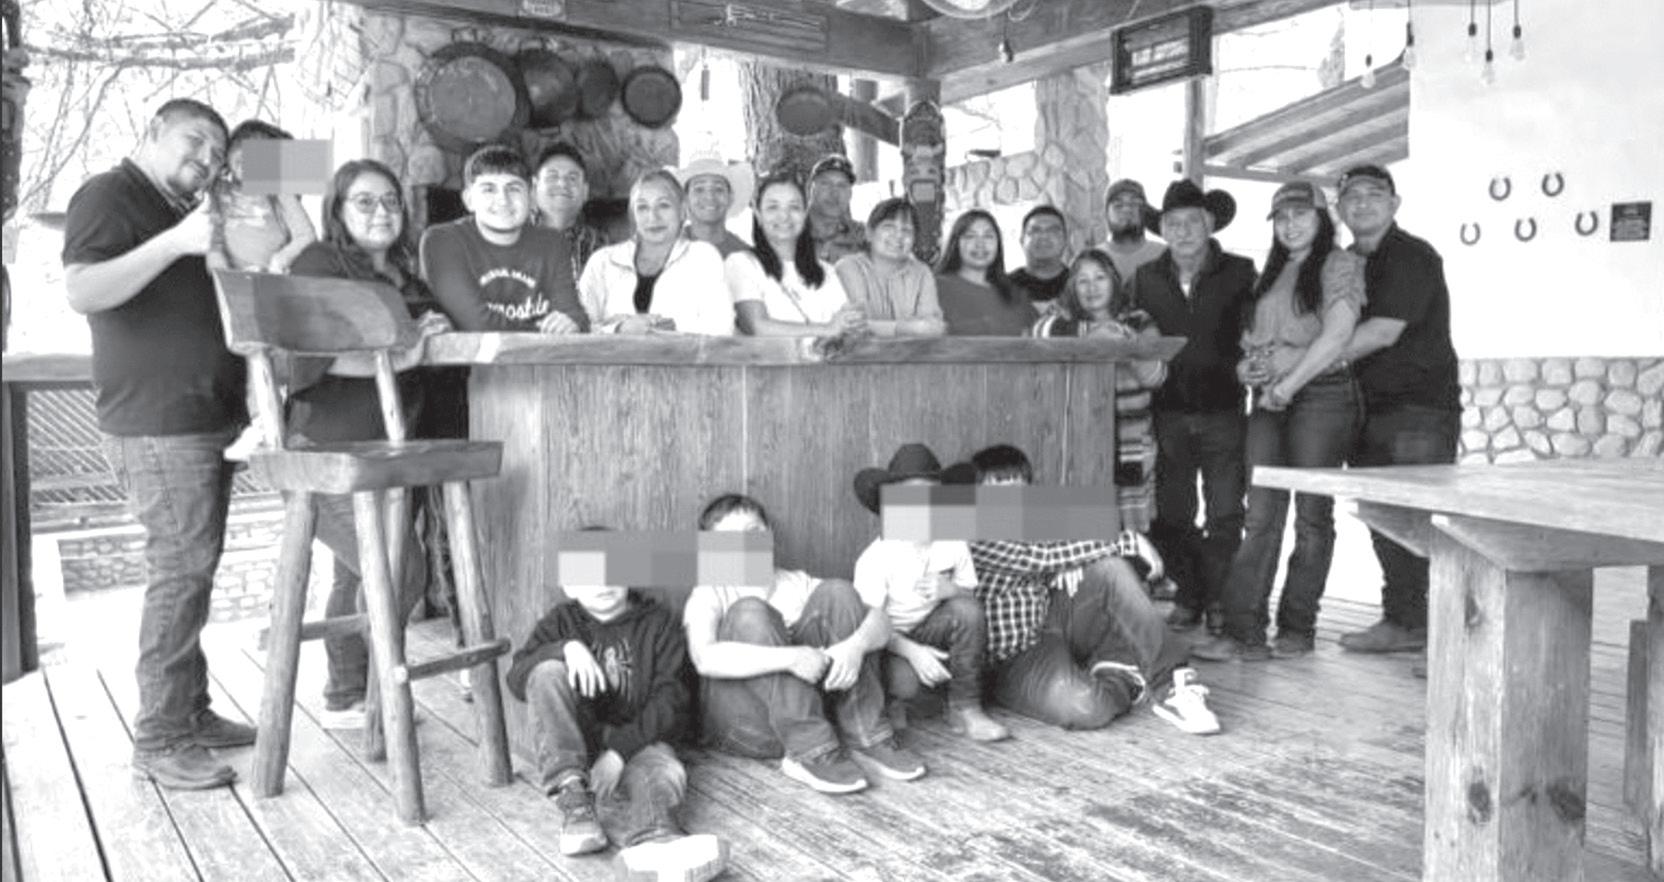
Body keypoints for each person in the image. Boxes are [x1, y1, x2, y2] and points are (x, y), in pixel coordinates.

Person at [62, 98, 253, 789]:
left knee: (193, 570)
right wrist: (175, 244)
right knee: (180, 571)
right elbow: (83, 290)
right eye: (194, 141)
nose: (206, 158)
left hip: (204, 417)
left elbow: (291, 188)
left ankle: (190, 713)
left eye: (216, 152)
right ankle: (161, 737)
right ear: (152, 132)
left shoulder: (189, 211)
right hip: (157, 421)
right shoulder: (108, 193)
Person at [286, 159, 444, 727]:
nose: (382, 211)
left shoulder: (407, 278)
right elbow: (309, 359)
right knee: (401, 572)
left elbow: (420, 348)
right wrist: (401, 356)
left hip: (390, 451)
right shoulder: (319, 262)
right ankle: (375, 694)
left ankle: (350, 693)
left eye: (391, 201)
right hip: (326, 449)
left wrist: (435, 329)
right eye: (365, 201)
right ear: (337, 210)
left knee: (358, 572)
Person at [1190, 181, 1365, 663]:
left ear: (1322, 218)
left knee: (1311, 516)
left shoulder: (1339, 264)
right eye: (1282, 218)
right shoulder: (1269, 273)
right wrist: (1245, 370)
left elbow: (1337, 337)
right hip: (1268, 399)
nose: (1290, 225)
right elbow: (1253, 343)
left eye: (1300, 215)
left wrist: (1288, 384)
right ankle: (1244, 630)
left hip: (1321, 397)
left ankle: (1297, 626)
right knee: (1261, 514)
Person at [951, 445, 1219, 735]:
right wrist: (1129, 541)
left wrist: (1072, 563)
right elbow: (1038, 558)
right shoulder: (975, 533)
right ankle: (1120, 676)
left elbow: (1068, 541)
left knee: (1109, 569)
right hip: (1010, 662)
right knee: (1087, 707)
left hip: (1048, 627)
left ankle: (1172, 685)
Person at [503, 537, 728, 881]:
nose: (603, 583)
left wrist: (620, 754)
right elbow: (517, 677)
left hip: (642, 740)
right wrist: (565, 648)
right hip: (579, 744)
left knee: (663, 773)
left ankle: (657, 843)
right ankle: (575, 801)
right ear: (569, 586)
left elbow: (671, 700)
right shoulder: (561, 622)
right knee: (545, 671)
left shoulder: (658, 623)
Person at [684, 494, 924, 794]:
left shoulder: (796, 582)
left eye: (754, 531)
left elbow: (881, 621)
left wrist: (855, 647)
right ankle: (810, 752)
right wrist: (792, 658)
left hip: (813, 720)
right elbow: (704, 658)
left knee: (839, 592)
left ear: (769, 534)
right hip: (745, 729)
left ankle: (867, 738)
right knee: (750, 613)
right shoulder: (709, 592)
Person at [1331, 164, 1460, 655]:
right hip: (1364, 408)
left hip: (1417, 411)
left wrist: (1307, 366)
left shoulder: (1412, 256)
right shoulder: (1343, 263)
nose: (1362, 203)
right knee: (1385, 519)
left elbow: (1383, 331)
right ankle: (1405, 620)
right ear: (1339, 208)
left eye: (1374, 194)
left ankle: (1447, 634)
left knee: (1417, 522)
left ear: (1394, 203)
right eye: (1352, 196)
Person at [1130, 180, 1257, 637]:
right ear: (1162, 229)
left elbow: (1255, 331)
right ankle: (1190, 593)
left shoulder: (1241, 272)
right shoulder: (1144, 278)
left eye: (1192, 222)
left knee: (1226, 512)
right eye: (1173, 223)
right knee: (1172, 515)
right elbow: (1131, 332)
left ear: (1209, 225)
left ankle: (1218, 599)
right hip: (1167, 414)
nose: (1183, 231)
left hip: (1224, 410)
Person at [851, 444, 1009, 742]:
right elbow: (869, 627)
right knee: (907, 683)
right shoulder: (876, 558)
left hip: (931, 629)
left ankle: (965, 709)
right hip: (889, 641)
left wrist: (952, 590)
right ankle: (898, 701)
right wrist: (914, 653)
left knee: (967, 610)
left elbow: (971, 599)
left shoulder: (952, 540)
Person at [1030, 248, 1167, 534]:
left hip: (1130, 438)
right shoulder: (1061, 317)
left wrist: (1126, 345)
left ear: (1114, 281)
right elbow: (1038, 332)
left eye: (1099, 278)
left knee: (1129, 528)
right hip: (1079, 436)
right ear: (1073, 287)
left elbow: (1157, 376)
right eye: (1083, 281)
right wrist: (1093, 334)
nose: (1092, 287)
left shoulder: (1138, 320)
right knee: (1083, 525)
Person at [207, 119, 320, 462]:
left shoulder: (280, 192)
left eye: (261, 155)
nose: (249, 160)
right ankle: (259, 422)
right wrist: (226, 278)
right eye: (240, 154)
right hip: (235, 285)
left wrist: (278, 261)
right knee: (247, 353)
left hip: (275, 282)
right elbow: (213, 243)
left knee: (274, 352)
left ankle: (278, 423)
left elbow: (306, 235)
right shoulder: (218, 193)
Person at [420, 145, 586, 333]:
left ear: (531, 196)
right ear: (469, 199)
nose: (503, 200)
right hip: (471, 352)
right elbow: (477, 324)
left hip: (540, 352)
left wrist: (571, 323)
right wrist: (546, 334)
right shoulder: (442, 241)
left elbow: (573, 315)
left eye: (514, 188)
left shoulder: (553, 243)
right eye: (489, 189)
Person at [577, 169, 733, 335]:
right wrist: (619, 328)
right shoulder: (603, 261)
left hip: (680, 353)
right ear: (633, 215)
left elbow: (721, 328)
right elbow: (579, 328)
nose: (653, 217)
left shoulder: (703, 258)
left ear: (682, 211)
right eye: (642, 207)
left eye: (663, 205)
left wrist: (667, 328)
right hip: (611, 353)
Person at [726, 171, 865, 337]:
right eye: (773, 207)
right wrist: (828, 329)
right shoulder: (741, 263)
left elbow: (845, 327)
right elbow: (756, 326)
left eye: (794, 207)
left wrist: (852, 324)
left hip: (826, 355)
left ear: (805, 214)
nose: (784, 216)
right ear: (758, 215)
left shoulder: (826, 271)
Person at [832, 197, 945, 337]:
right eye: (889, 227)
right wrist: (906, 328)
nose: (898, 235)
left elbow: (933, 327)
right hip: (859, 351)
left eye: (907, 230)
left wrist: (919, 328)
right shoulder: (849, 267)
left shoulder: (922, 273)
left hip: (912, 350)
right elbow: (856, 326)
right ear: (869, 233)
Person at [935, 209, 1037, 336]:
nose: (980, 244)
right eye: (970, 236)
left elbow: (1040, 337)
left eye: (988, 236)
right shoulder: (935, 288)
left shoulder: (1015, 294)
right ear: (956, 243)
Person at [533, 142, 607, 285]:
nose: (562, 184)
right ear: (534, 187)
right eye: (552, 177)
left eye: (572, 178)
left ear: (585, 191)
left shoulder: (601, 247)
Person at [674, 154, 753, 258]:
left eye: (718, 189)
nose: (710, 197)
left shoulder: (745, 257)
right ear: (685, 197)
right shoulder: (667, 250)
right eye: (699, 189)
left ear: (730, 197)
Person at [805, 154, 867, 264]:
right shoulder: (788, 230)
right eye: (825, 184)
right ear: (810, 188)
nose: (834, 193)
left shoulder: (863, 237)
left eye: (841, 186)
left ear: (850, 194)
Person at [1101, 179, 1165, 285]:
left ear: (1145, 211)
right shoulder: (1093, 259)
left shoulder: (1166, 256)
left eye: (1134, 204)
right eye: (1118, 205)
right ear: (1106, 214)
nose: (1127, 210)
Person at [1007, 205, 1071, 311]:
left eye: (1053, 231)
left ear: (1065, 240)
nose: (1044, 237)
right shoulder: (1003, 288)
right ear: (1022, 240)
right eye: (1035, 231)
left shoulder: (1079, 284)